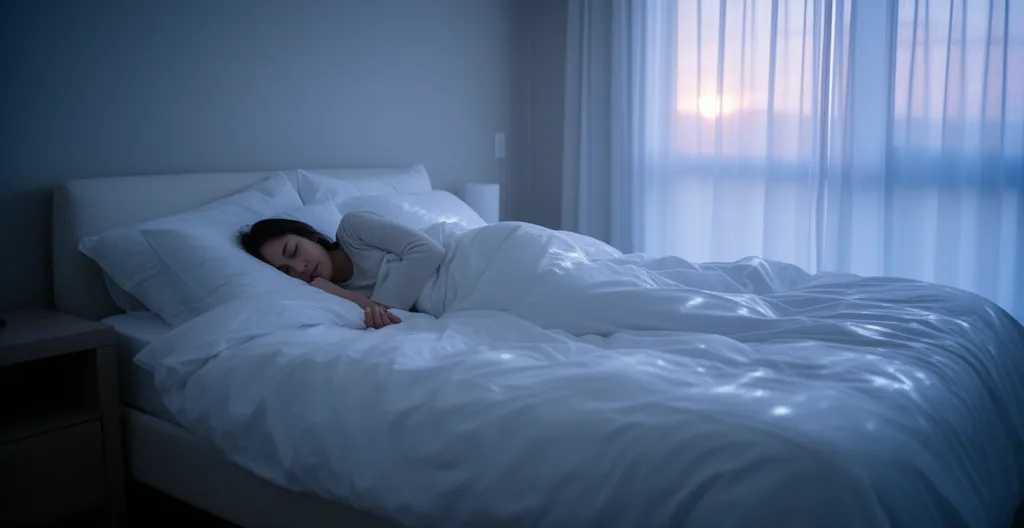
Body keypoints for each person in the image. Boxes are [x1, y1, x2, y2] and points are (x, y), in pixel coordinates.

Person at [239, 211, 445, 329]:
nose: (299, 268)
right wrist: (340, 293)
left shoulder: (352, 229)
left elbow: (428, 250)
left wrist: (383, 308)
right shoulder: (327, 296)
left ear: (311, 235)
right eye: (286, 271)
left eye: (293, 251)